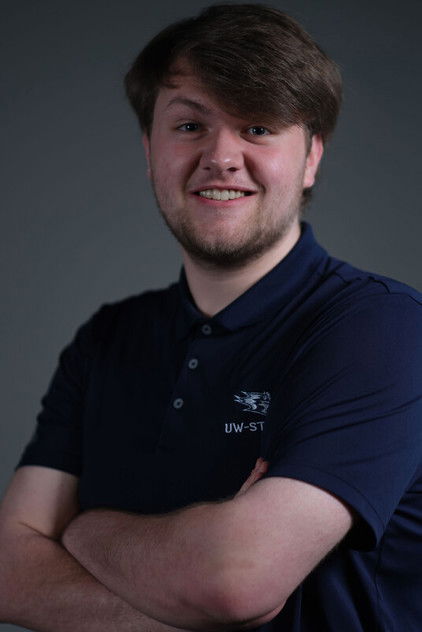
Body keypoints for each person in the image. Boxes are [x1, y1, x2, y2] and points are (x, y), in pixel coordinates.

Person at [0, 4, 421, 631]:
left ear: (311, 156)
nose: (221, 156)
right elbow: (9, 570)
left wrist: (85, 530)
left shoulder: (383, 329)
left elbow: (235, 580)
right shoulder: (107, 338)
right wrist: (197, 598)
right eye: (190, 125)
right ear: (150, 151)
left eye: (257, 127)